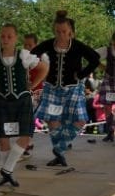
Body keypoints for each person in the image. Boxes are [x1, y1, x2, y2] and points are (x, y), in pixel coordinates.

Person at [0, 24, 47, 186]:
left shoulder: (23, 55)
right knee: (3, 138)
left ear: (16, 38)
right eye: (3, 36)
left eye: (9, 36)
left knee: (25, 135)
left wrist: (33, 84)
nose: (5, 39)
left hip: (22, 100)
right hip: (3, 100)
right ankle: (7, 174)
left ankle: (7, 169)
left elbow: (44, 68)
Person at [31, 10, 100, 166]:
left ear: (71, 32)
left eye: (64, 32)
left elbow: (95, 59)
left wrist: (82, 74)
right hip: (53, 89)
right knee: (53, 120)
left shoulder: (77, 46)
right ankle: (59, 153)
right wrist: (41, 68)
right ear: (54, 31)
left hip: (73, 88)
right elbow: (32, 55)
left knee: (81, 120)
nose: (61, 35)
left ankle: (60, 147)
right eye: (58, 32)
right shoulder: (49, 44)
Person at [22, 33, 44, 157]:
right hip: (26, 93)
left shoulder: (40, 58)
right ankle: (26, 143)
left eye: (30, 45)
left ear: (36, 45)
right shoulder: (21, 58)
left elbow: (45, 73)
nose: (27, 47)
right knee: (25, 117)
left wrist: (33, 84)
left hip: (38, 92)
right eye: (25, 45)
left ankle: (27, 143)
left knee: (28, 116)